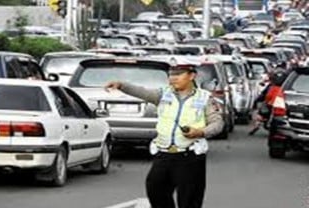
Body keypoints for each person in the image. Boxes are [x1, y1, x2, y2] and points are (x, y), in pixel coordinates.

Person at [104, 64, 224, 208]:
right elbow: (143, 92)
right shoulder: (163, 94)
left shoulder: (205, 98)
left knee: (189, 199)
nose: (173, 78)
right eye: (171, 75)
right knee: (155, 189)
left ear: (192, 76)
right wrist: (122, 85)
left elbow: (217, 123)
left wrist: (200, 132)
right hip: (164, 154)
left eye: (178, 75)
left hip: (189, 156)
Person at [249, 70, 287, 135]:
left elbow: (263, 96)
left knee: (260, 114)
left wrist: (257, 101)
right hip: (275, 106)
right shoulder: (284, 88)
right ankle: (257, 124)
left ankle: (256, 125)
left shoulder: (272, 87)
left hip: (273, 106)